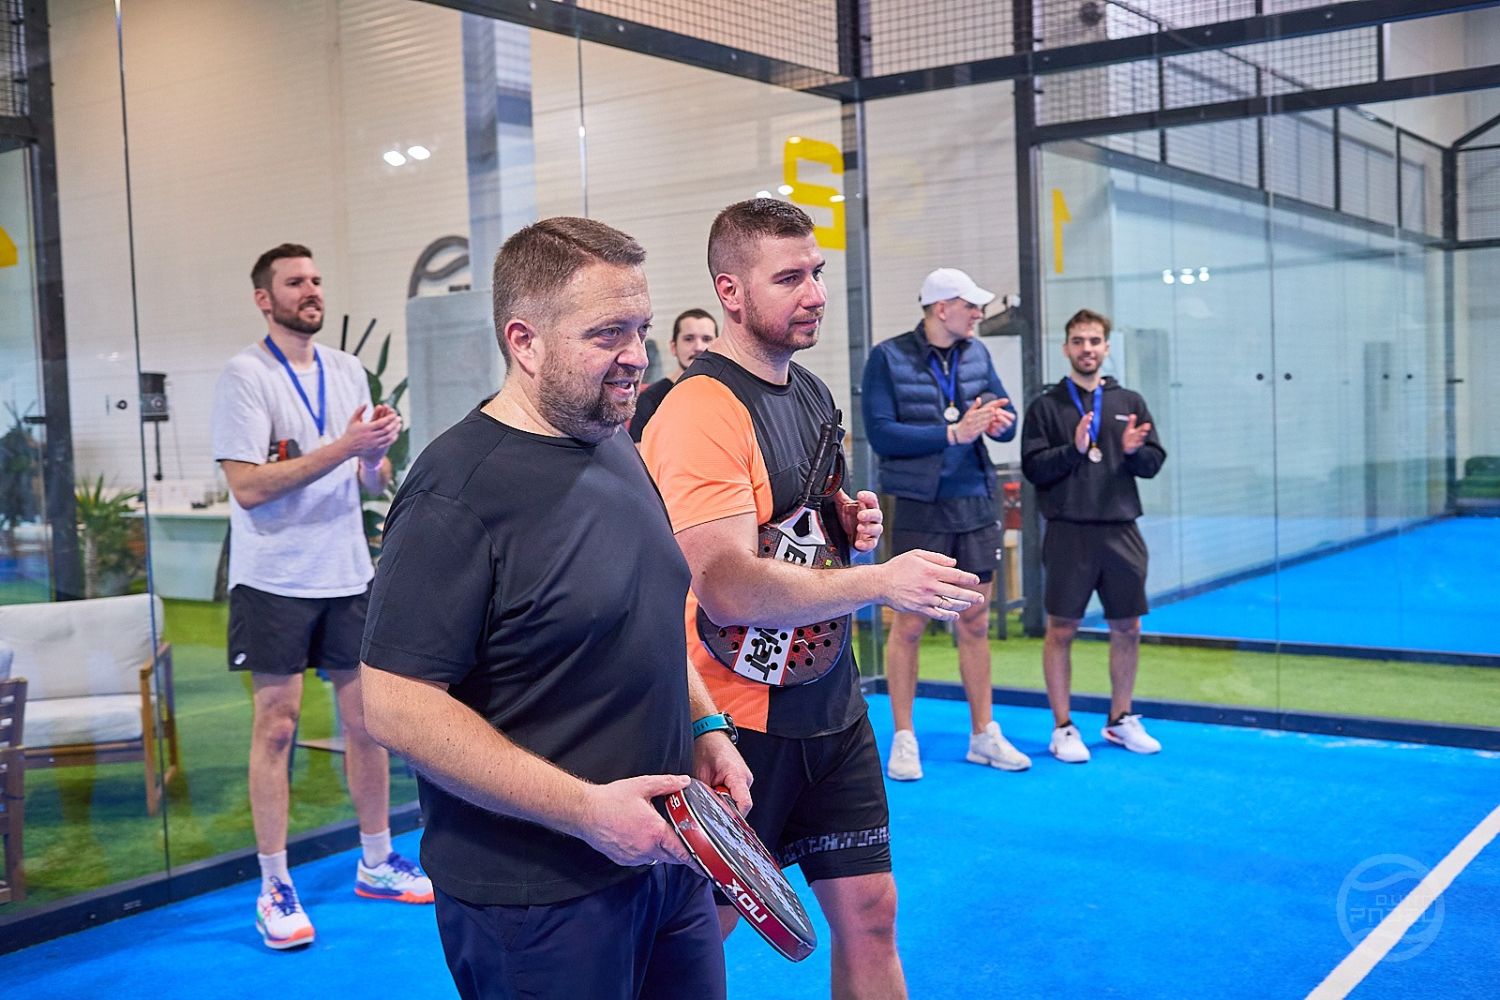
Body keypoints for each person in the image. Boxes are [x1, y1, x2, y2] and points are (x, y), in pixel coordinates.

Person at [357, 217, 746, 1000]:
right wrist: (586, 812)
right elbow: (394, 706)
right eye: (607, 334)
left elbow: (642, 615)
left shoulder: (612, 440)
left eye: (640, 328)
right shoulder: (454, 493)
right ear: (525, 342)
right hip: (538, 899)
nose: (637, 354)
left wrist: (705, 725)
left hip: (666, 862)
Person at [643, 199, 984, 1000]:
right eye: (789, 278)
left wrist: (847, 527)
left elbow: (799, 530)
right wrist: (880, 579)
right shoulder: (698, 411)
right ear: (730, 292)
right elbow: (726, 585)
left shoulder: (811, 392)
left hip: (831, 706)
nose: (816, 294)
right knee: (700, 933)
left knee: (871, 913)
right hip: (734, 723)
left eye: (818, 273)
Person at [212, 243, 431, 951]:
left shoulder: (346, 370)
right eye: (294, 282)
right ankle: (274, 884)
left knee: (367, 723)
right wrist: (345, 446)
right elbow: (247, 486)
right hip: (273, 578)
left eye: (315, 279)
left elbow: (370, 480)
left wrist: (375, 453)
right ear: (264, 298)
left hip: (345, 572)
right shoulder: (246, 376)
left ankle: (377, 860)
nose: (311, 290)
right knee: (276, 728)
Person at [862, 267, 1032, 781]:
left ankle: (983, 734)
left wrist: (1000, 422)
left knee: (975, 620)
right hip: (919, 505)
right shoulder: (887, 357)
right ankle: (904, 736)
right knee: (910, 624)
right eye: (970, 306)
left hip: (975, 501)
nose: (979, 314)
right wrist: (951, 434)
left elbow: (1006, 419)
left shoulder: (977, 353)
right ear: (942, 309)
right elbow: (882, 434)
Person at [1019, 308, 1167, 764]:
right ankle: (1063, 726)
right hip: (1068, 532)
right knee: (1061, 629)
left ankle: (1121, 718)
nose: (1087, 349)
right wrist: (1075, 449)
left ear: (1106, 347)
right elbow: (1034, 468)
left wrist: (1134, 451)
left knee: (1128, 627)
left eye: (1095, 341)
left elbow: (1153, 463)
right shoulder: (1046, 407)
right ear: (1066, 348)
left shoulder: (1129, 401)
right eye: (1079, 341)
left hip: (1121, 529)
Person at [629, 308, 718, 442]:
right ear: (673, 347)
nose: (698, 347)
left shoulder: (728, 394)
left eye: (706, 339)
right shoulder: (651, 399)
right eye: (689, 339)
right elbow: (636, 449)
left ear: (717, 347)